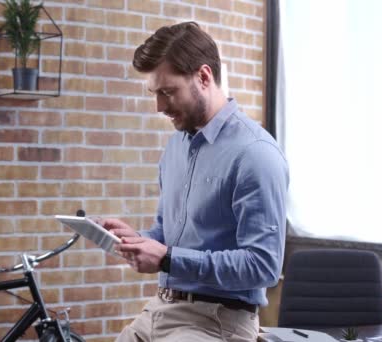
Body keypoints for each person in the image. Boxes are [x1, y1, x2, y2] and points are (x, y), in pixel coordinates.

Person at [99, 21, 289, 342]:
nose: (159, 107)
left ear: (203, 77)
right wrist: (139, 240)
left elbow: (263, 266)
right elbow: (167, 234)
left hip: (216, 322)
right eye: (154, 94)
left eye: (167, 92)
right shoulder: (176, 146)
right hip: (160, 309)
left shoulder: (256, 154)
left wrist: (168, 258)